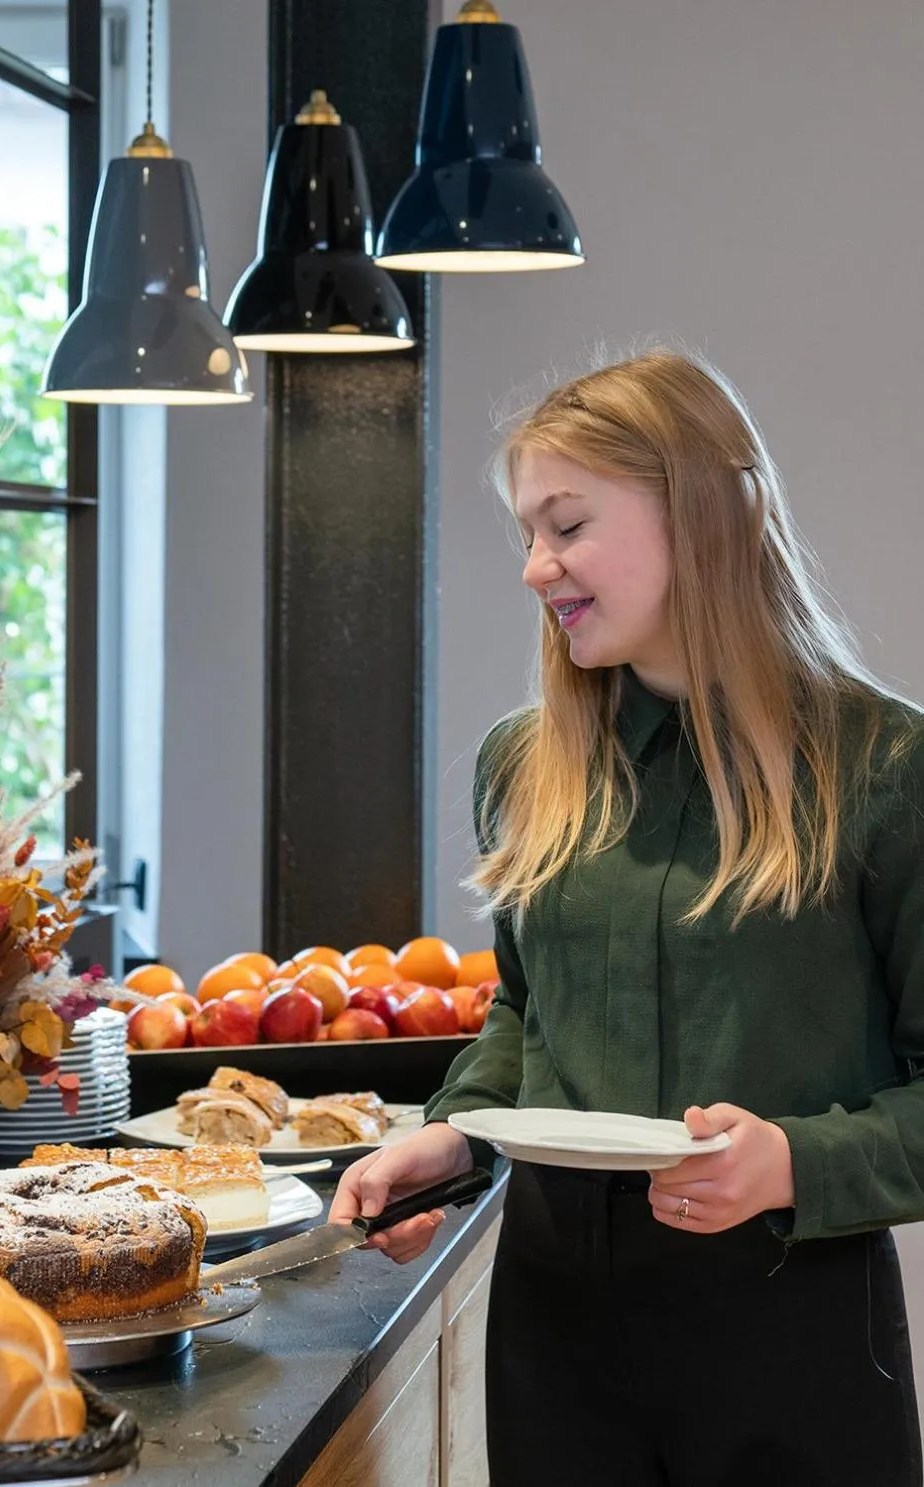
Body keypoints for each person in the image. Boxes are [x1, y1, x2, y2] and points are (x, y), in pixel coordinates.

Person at [329, 348, 924, 1486]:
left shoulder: (882, 771)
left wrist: (795, 1159)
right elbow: (524, 1009)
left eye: (565, 524)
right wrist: (457, 1132)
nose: (533, 566)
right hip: (553, 1327)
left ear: (703, 515)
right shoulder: (524, 764)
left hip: (791, 1326)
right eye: (524, 532)